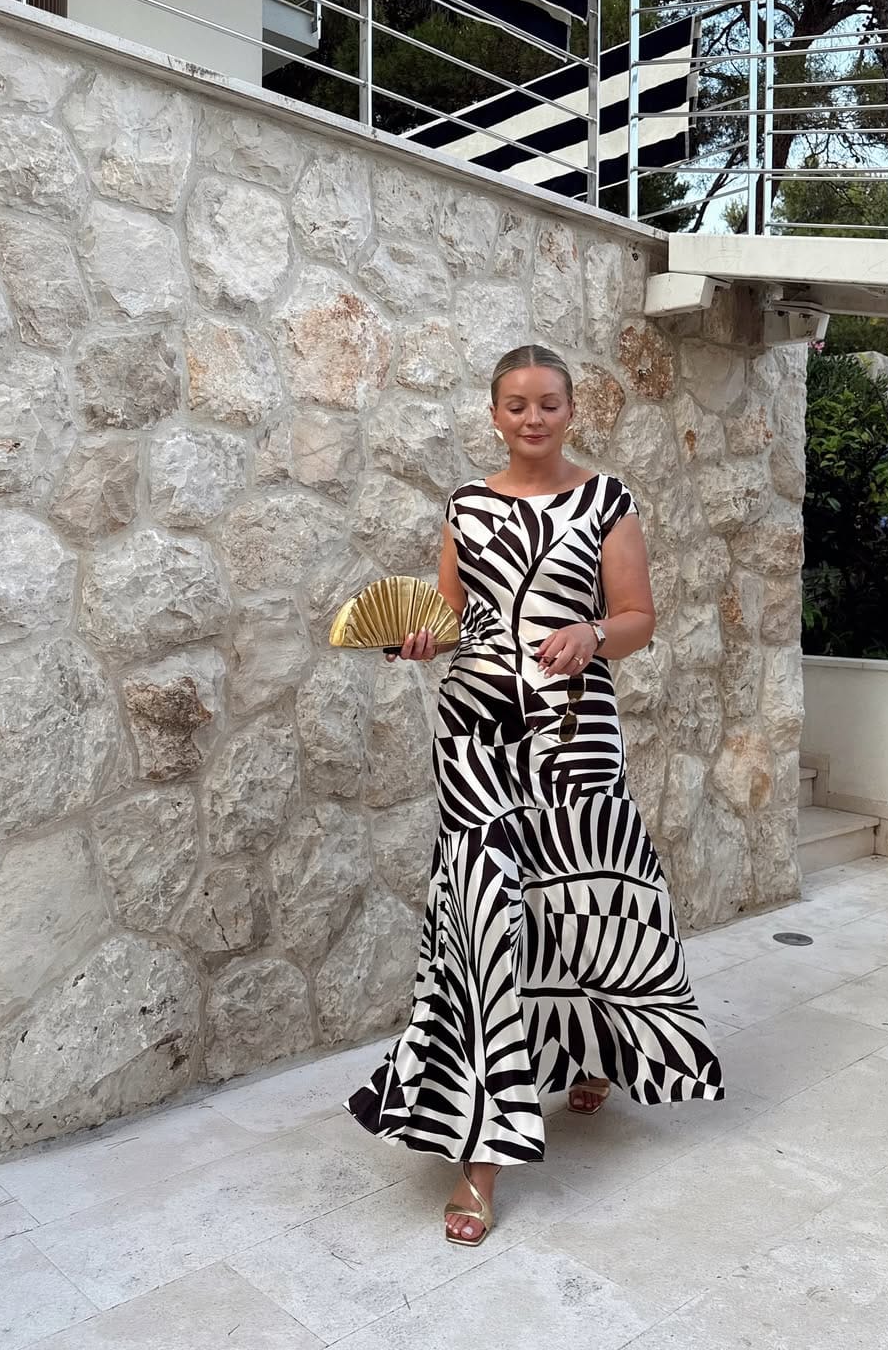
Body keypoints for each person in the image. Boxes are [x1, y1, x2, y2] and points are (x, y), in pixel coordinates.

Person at [346, 345, 723, 1246]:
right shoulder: (466, 505)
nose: (532, 418)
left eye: (548, 403)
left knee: (582, 897)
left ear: (570, 410)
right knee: (482, 920)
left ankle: (592, 1047)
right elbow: (449, 617)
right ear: (494, 414)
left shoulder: (608, 500)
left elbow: (638, 618)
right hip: (475, 735)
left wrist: (593, 634)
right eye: (515, 404)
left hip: (574, 735)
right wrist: (420, 641)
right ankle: (481, 1152)